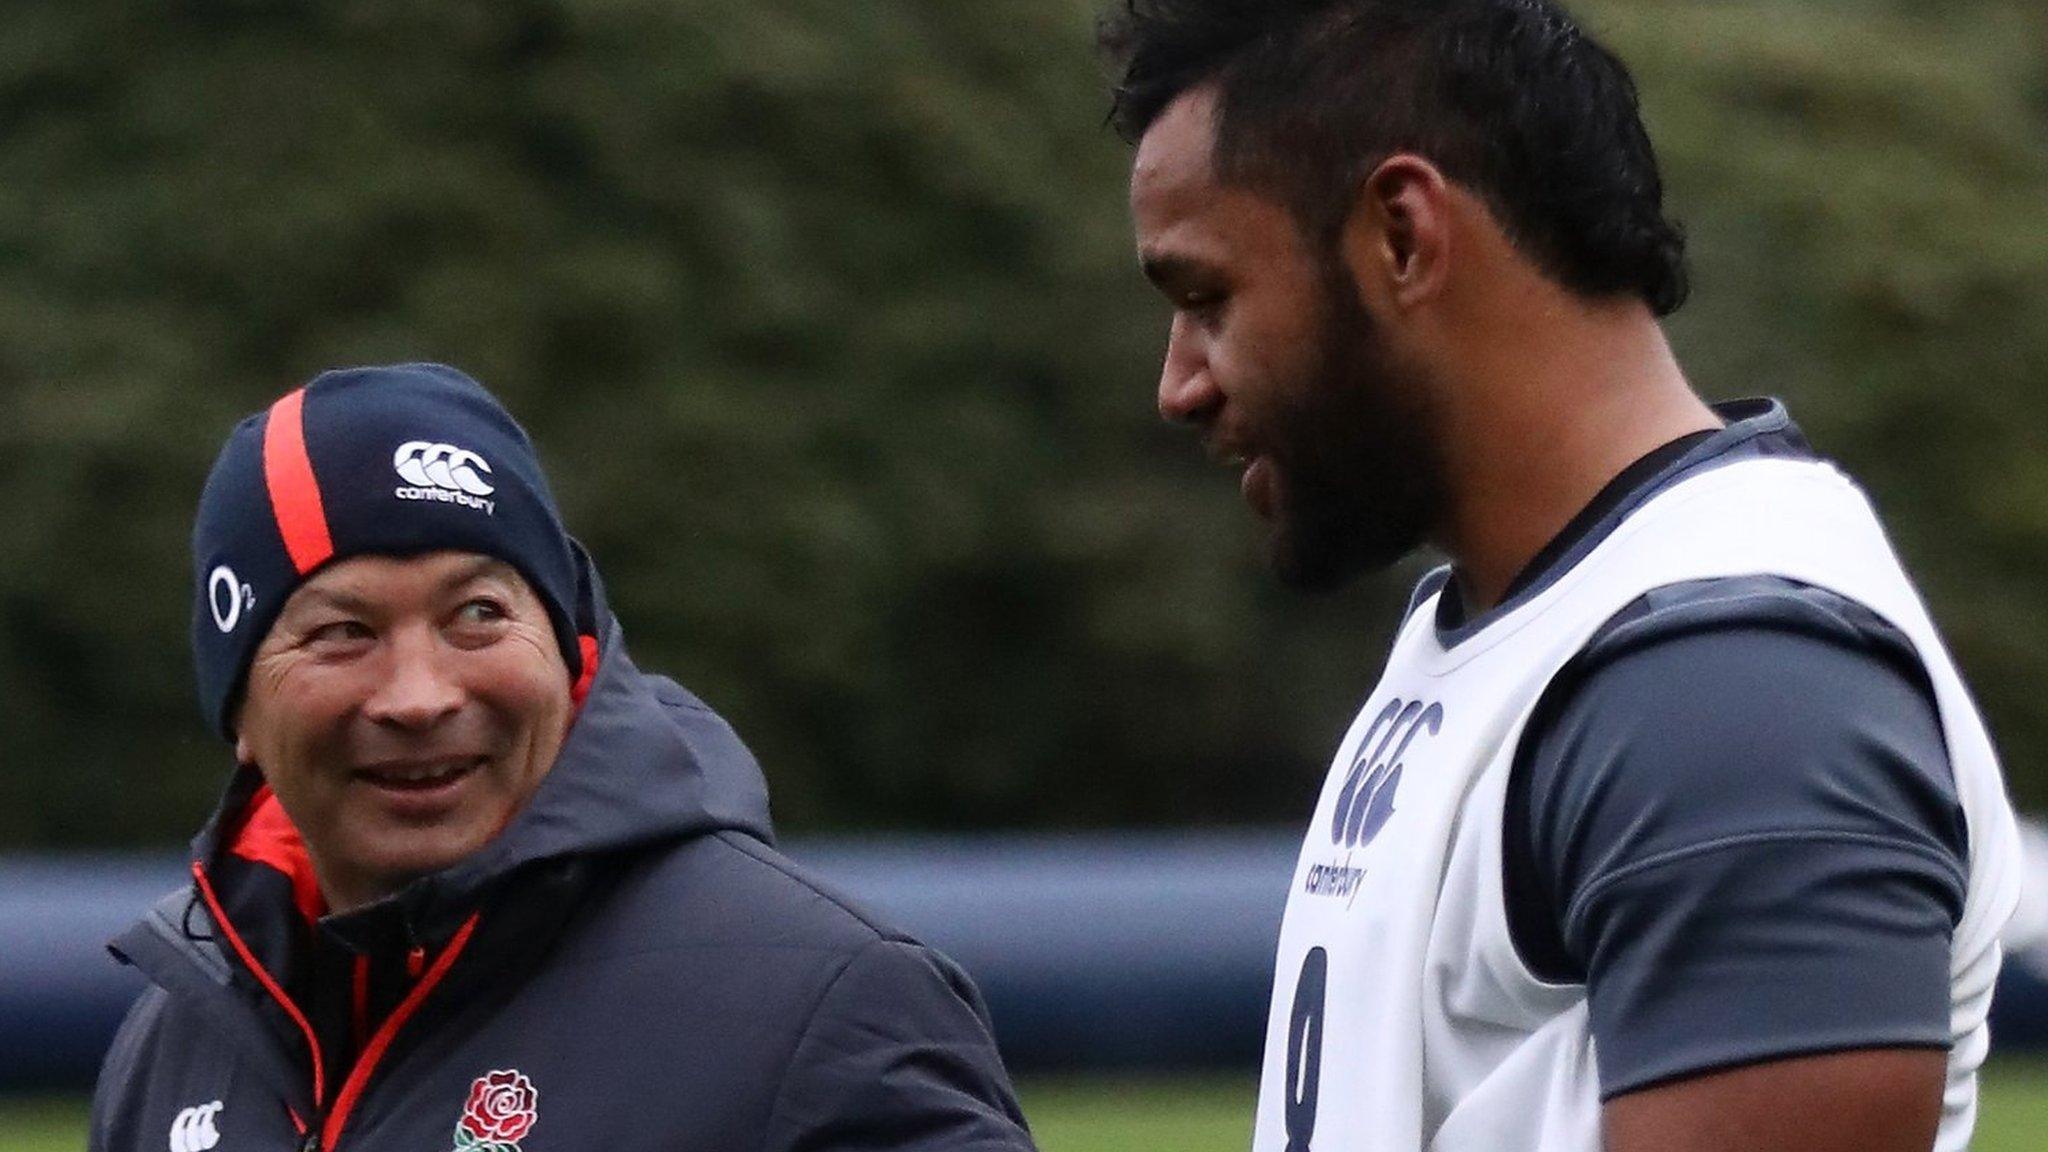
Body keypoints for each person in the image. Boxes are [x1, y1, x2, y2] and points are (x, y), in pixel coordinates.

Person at [1099, 2, 2025, 1150]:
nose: (1178, 385)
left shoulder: (1731, 690)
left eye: (1206, 299)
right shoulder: (1528, 625)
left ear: (1400, 234)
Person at [90, 364, 1036, 1152]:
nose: (420, 695)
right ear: (237, 707)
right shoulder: (177, 1046)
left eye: (478, 615)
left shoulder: (820, 1011)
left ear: (570, 650)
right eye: (342, 632)